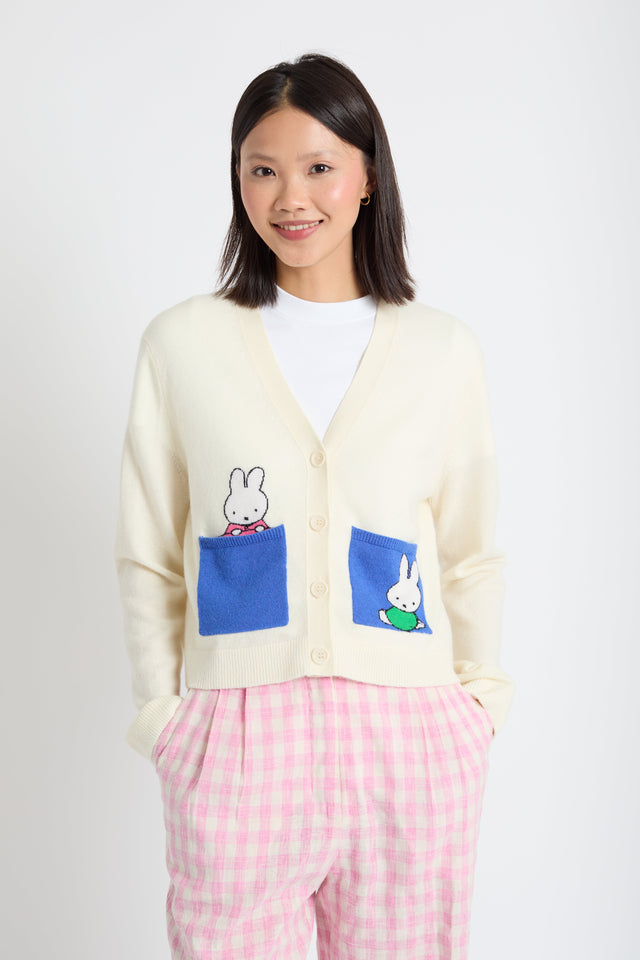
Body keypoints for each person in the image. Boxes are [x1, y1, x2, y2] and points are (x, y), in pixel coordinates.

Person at [114, 51, 515, 960]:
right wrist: (165, 720)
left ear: (368, 177)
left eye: (319, 167)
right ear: (238, 181)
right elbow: (148, 551)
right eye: (262, 170)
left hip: (411, 733)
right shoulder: (183, 344)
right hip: (237, 735)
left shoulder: (442, 350)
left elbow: (469, 551)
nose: (290, 197)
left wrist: (477, 705)